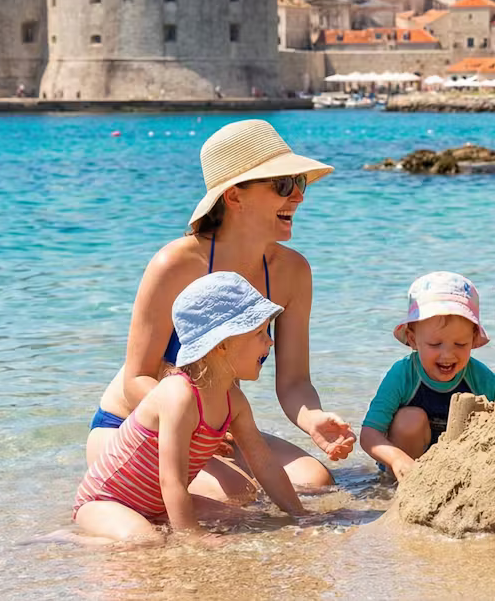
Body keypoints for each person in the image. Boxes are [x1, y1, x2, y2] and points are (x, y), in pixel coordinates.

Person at [87, 119, 355, 502]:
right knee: (238, 498)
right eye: (283, 185)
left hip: (217, 425)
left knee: (316, 480)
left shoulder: (293, 272)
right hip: (132, 424)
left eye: (300, 182)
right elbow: (137, 379)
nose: (298, 196)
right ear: (234, 197)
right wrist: (194, 423)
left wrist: (312, 418)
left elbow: (294, 381)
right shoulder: (175, 264)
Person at [74, 271, 307, 540]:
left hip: (156, 504)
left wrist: (299, 515)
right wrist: (193, 539)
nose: (270, 341)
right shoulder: (178, 396)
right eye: (259, 332)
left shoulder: (234, 400)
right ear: (221, 346)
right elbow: (171, 481)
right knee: (147, 541)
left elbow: (264, 463)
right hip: (107, 501)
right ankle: (74, 540)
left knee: (249, 520)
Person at [360, 272, 495, 481]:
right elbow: (369, 434)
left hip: (457, 465)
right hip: (406, 463)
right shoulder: (402, 375)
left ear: (473, 338)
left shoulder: (480, 377)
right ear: (413, 340)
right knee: (410, 419)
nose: (448, 354)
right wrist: (396, 459)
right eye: (435, 344)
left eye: (461, 344)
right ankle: (398, 485)